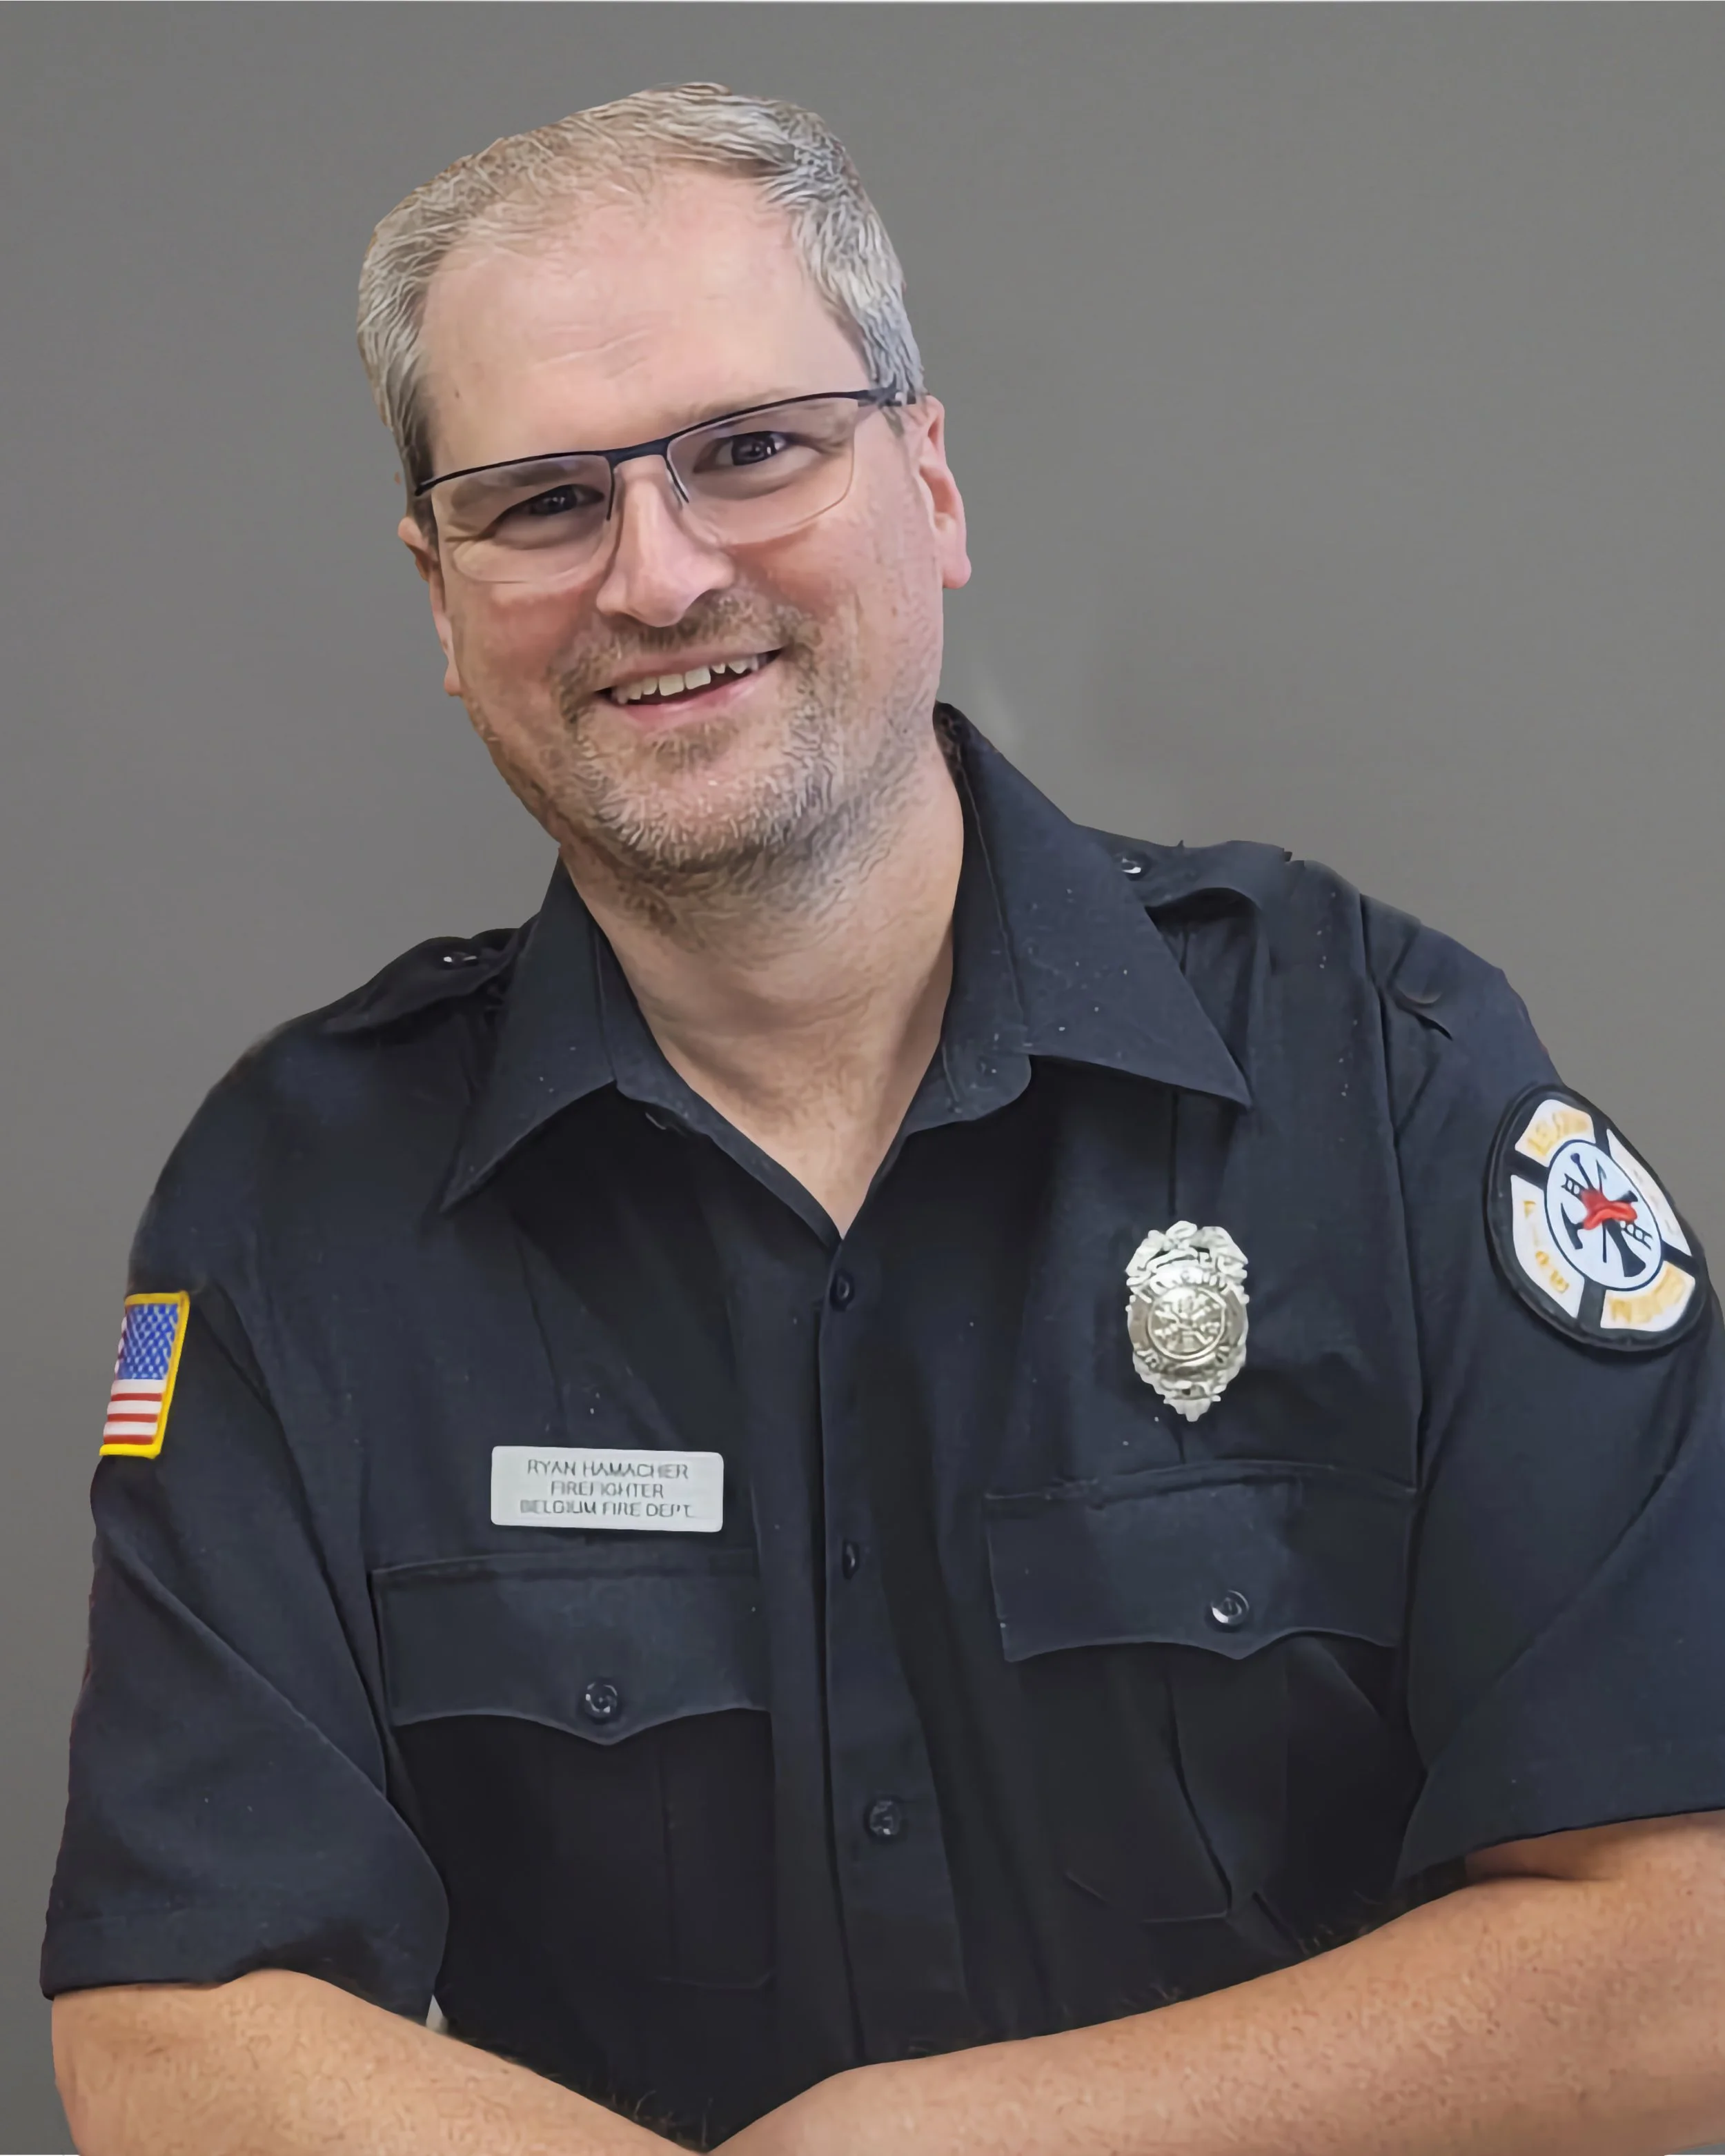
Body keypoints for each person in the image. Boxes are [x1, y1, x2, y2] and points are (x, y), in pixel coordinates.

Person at [43, 82, 1725, 2156]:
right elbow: (174, 2031)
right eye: (541, 503)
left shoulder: (1376, 1075)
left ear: (927, 478)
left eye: (748, 452)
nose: (655, 576)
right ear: (439, 595)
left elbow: (1679, 1947)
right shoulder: (300, 1198)